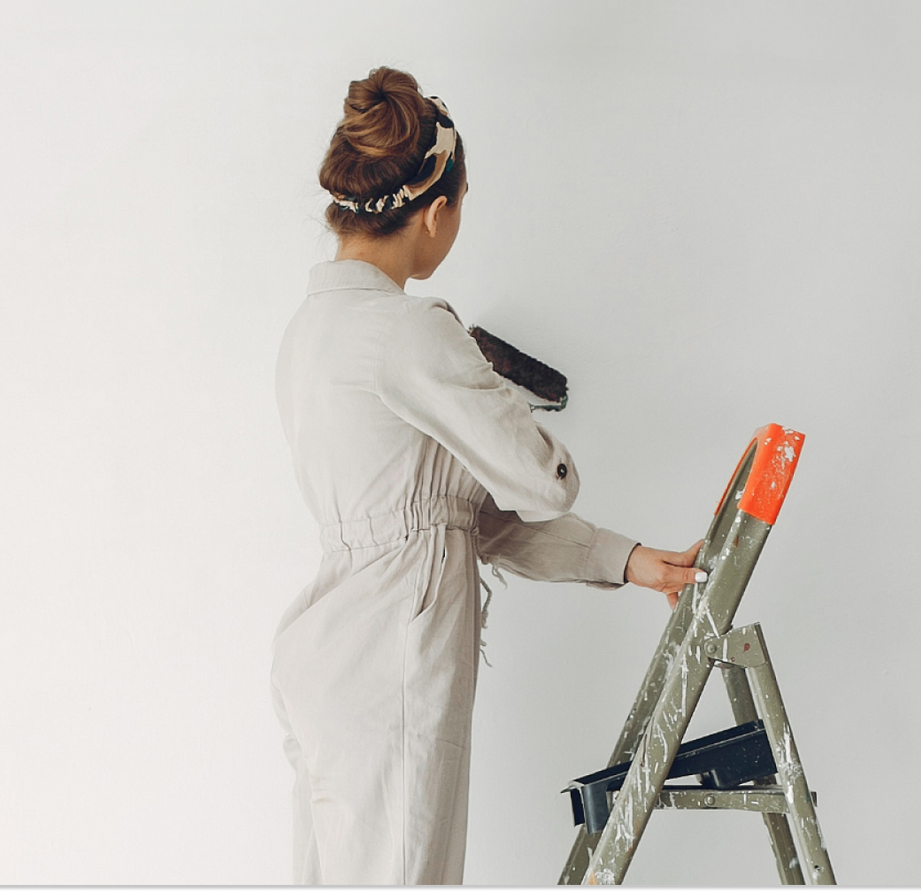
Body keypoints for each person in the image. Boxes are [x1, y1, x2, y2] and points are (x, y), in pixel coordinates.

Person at [270, 67, 702, 885]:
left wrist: (623, 558)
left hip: (327, 657)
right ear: (435, 212)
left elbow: (464, 518)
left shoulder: (309, 333)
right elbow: (545, 483)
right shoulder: (408, 334)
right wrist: (496, 390)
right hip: (388, 663)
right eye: (461, 210)